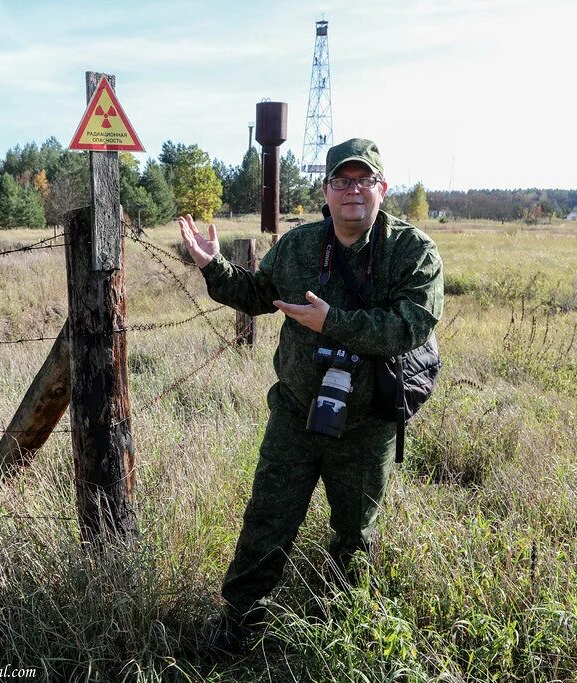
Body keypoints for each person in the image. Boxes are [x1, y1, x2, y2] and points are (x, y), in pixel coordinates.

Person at [178, 138, 443, 652]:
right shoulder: (300, 248)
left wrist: (333, 323)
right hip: (297, 415)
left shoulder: (412, 252)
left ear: (382, 189)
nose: (352, 192)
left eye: (363, 181)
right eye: (341, 182)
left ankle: (337, 632)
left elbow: (413, 325)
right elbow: (258, 296)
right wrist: (214, 268)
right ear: (326, 191)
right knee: (266, 521)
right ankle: (237, 626)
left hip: (367, 426)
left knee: (353, 535)